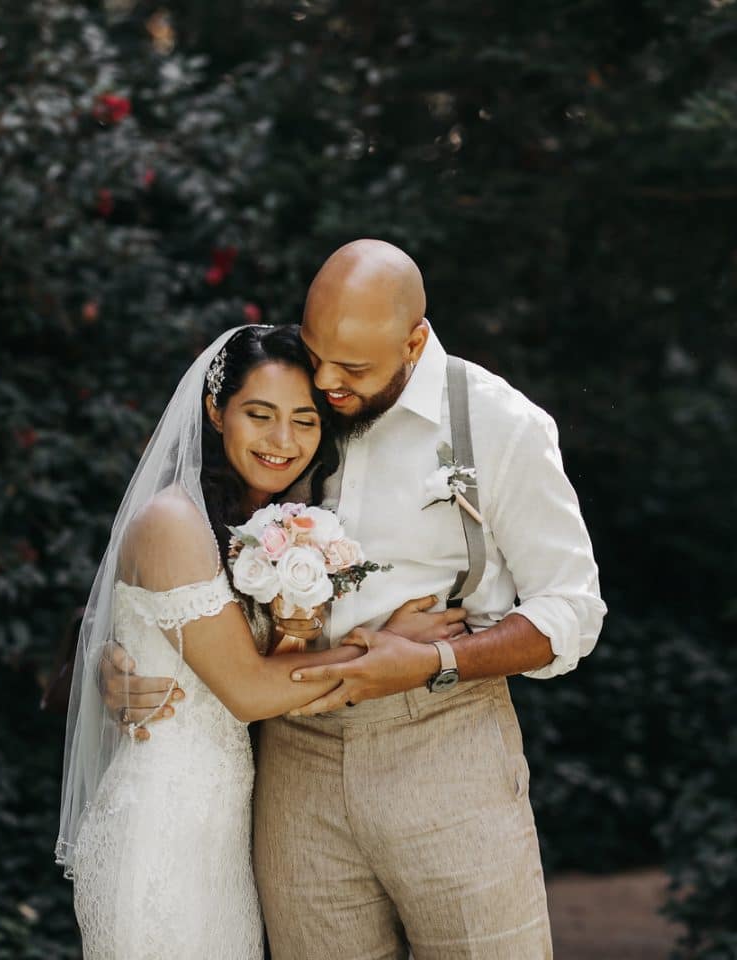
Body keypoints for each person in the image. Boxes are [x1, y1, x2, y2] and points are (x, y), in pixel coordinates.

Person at [121, 239, 607, 959]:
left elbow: (573, 609)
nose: (326, 382)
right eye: (317, 354)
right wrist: (122, 654)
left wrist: (434, 659)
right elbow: (189, 554)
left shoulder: (500, 425)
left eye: (352, 369)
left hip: (444, 747)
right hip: (293, 759)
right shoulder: (290, 411)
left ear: (414, 340)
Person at [57, 324, 463, 960]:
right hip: (162, 835)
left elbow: (252, 677)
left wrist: (300, 629)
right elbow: (248, 691)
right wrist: (392, 648)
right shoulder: (173, 521)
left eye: (304, 420)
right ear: (217, 412)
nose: (283, 441)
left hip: (221, 837)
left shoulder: (261, 525)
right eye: (260, 414)